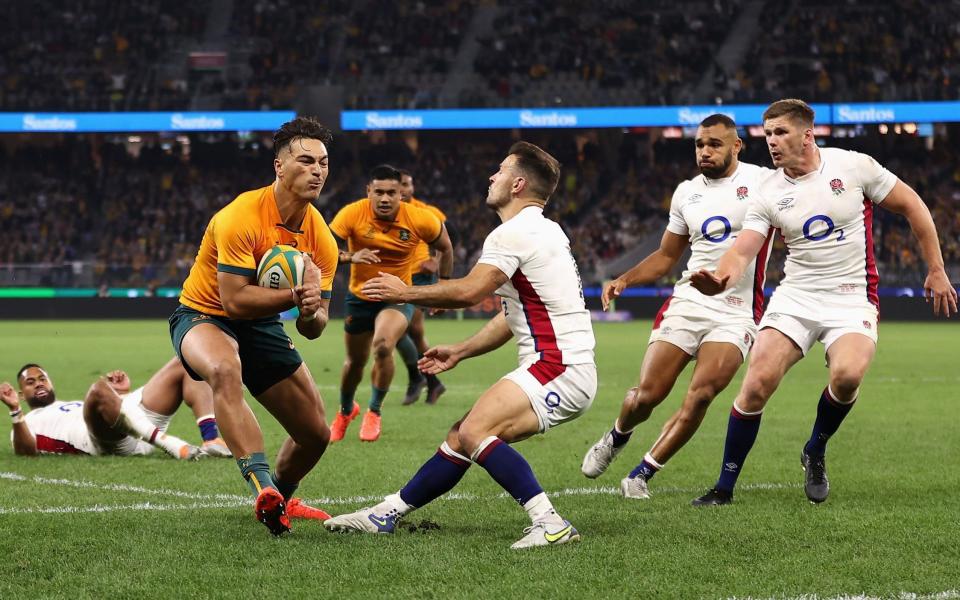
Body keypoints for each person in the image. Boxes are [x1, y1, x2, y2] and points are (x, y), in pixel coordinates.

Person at [325, 141, 596, 549]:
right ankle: (386, 514)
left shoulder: (514, 233)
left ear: (518, 183)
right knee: (462, 436)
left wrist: (407, 291)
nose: (492, 176)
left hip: (558, 365)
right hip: (564, 366)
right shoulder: (546, 230)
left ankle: (550, 522)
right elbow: (511, 314)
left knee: (474, 431)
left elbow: (470, 291)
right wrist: (462, 350)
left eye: (501, 170)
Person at [688, 99, 958, 506]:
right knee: (757, 384)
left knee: (848, 376)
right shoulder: (767, 191)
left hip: (851, 296)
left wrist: (936, 269)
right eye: (768, 134)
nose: (772, 143)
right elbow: (743, 248)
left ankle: (815, 448)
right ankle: (723, 488)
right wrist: (722, 276)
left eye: (780, 133)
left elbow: (913, 206)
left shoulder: (853, 166)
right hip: (796, 296)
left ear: (807, 134)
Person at [581, 114, 774, 499]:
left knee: (701, 395)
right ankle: (618, 435)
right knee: (647, 396)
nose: (705, 151)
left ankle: (641, 474)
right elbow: (667, 255)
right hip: (688, 302)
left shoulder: (763, 182)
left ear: (737, 146)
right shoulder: (686, 192)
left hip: (736, 310)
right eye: (700, 144)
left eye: (715, 144)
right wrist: (624, 279)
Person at [169, 116, 339, 535]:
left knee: (316, 434)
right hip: (203, 314)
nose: (317, 170)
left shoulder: (323, 240)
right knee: (225, 370)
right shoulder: (241, 215)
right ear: (279, 166)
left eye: (323, 162)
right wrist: (296, 296)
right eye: (305, 160)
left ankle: (278, 499)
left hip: (260, 324)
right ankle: (261, 486)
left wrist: (312, 311)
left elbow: (315, 328)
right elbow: (235, 300)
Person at [328, 164, 453, 442]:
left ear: (401, 194)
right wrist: (351, 257)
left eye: (392, 193)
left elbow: (446, 246)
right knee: (355, 362)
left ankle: (374, 411)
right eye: (379, 192)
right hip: (359, 297)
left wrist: (443, 286)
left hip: (397, 296)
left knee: (384, 345)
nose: (385, 199)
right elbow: (322, 250)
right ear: (369, 192)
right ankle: (346, 410)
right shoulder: (351, 213)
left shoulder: (420, 218)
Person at [2, 358, 228, 458]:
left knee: (185, 362)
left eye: (42, 378)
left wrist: (122, 395)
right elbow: (25, 451)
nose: (38, 383)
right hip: (106, 442)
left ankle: (211, 440)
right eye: (30, 383)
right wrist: (14, 411)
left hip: (134, 426)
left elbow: (117, 413)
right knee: (98, 389)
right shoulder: (26, 421)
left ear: (50, 383)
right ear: (21, 395)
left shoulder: (64, 405)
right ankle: (170, 444)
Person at [395, 168, 454, 407]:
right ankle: (431, 382)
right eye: (400, 186)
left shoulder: (427, 212)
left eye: (407, 185)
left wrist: (437, 262)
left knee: (404, 331)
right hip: (399, 277)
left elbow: (446, 242)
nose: (404, 190)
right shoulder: (387, 213)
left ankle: (419, 380)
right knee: (410, 335)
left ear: (413, 187)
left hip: (420, 278)